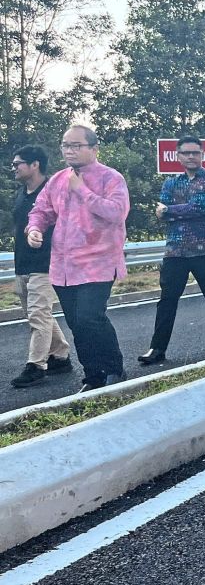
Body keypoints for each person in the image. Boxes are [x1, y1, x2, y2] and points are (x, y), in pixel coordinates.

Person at [25, 125, 129, 392]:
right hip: (63, 266)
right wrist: (35, 229)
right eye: (65, 145)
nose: (69, 150)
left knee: (89, 317)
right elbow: (41, 210)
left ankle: (114, 369)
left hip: (99, 263)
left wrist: (82, 190)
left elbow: (116, 213)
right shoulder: (58, 179)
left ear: (94, 149)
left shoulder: (111, 178)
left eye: (76, 145)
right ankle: (93, 376)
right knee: (76, 324)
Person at [139, 136, 205, 365]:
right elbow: (162, 212)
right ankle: (157, 348)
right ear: (178, 156)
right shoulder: (170, 183)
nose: (191, 157)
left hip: (204, 247)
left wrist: (171, 210)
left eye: (195, 153)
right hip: (175, 249)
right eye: (186, 153)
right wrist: (178, 211)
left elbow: (202, 206)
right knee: (167, 299)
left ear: (202, 155)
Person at [9, 146, 72, 388]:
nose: (14, 168)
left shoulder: (54, 191)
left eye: (18, 164)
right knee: (35, 313)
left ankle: (36, 365)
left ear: (35, 164)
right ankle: (60, 355)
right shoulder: (21, 193)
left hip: (47, 263)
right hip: (23, 262)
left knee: (38, 314)